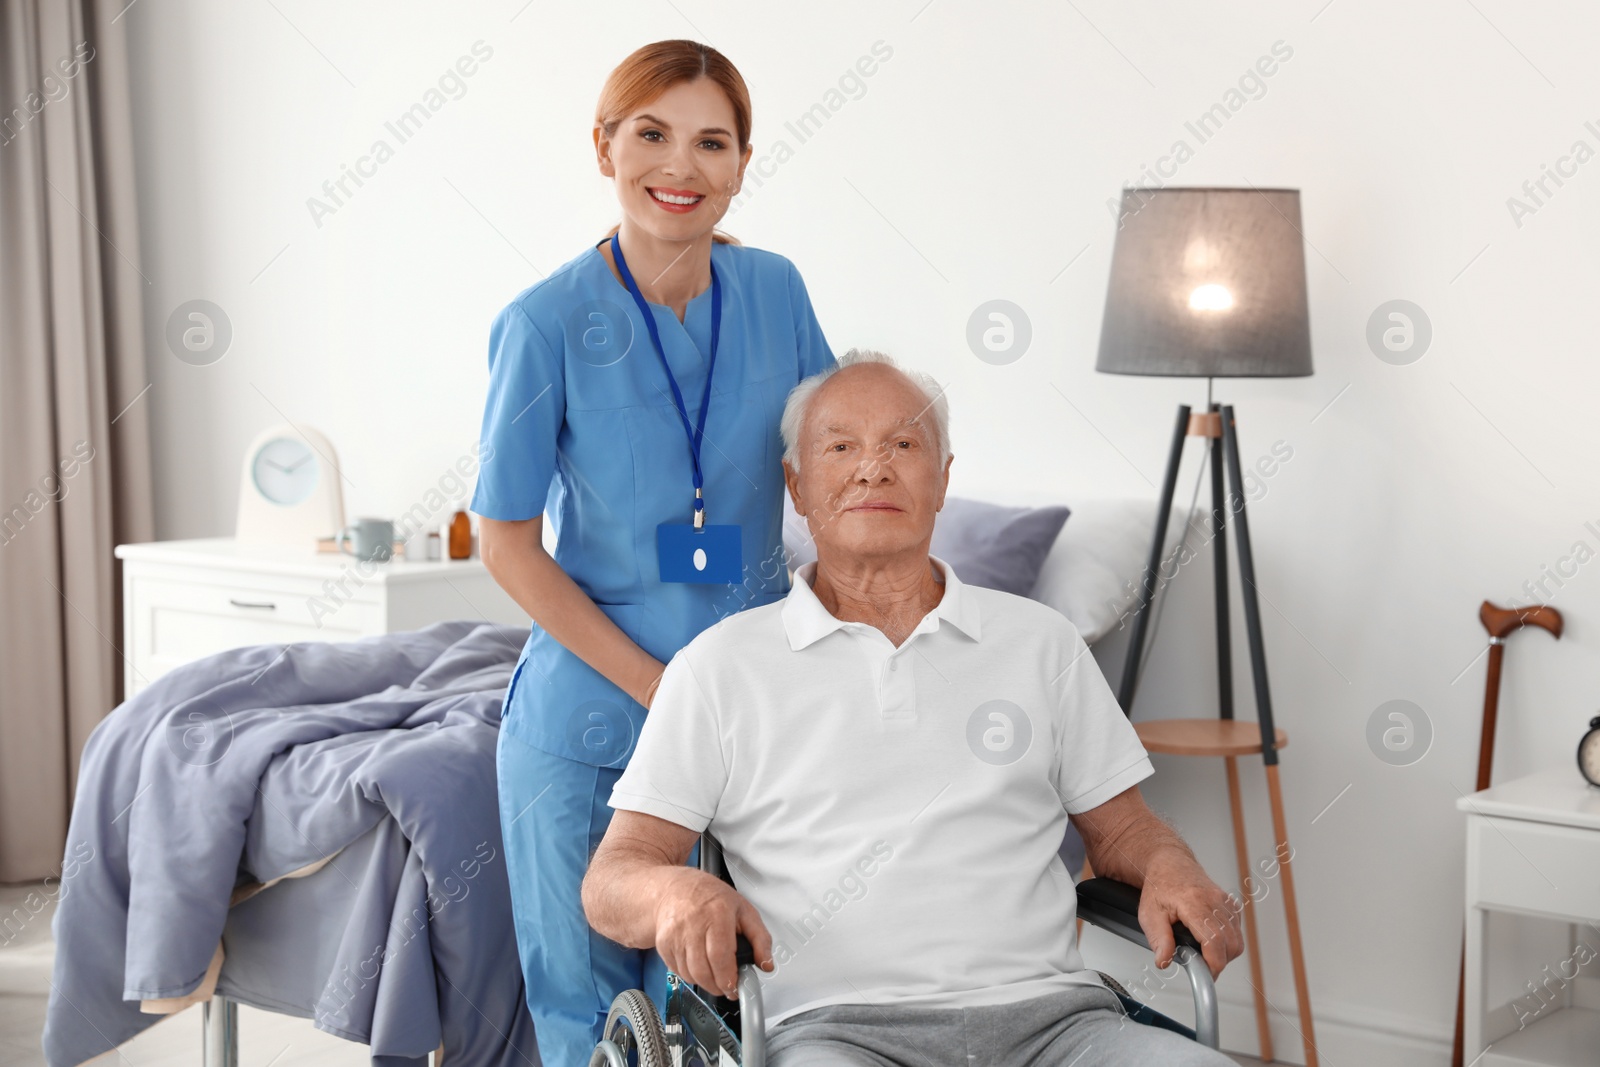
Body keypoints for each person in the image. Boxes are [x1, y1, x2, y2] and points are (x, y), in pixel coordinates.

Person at [581, 350, 1244, 1066]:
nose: (874, 468)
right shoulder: (719, 666)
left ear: (942, 478)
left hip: (1058, 1024)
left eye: (903, 444)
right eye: (841, 447)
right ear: (797, 486)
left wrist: (1172, 864)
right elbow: (614, 878)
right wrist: (677, 892)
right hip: (832, 1033)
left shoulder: (1040, 644)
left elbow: (1123, 832)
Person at [470, 39, 837, 1064]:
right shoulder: (543, 322)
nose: (681, 166)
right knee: (590, 1023)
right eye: (651, 134)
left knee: (722, 1010)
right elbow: (505, 540)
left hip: (748, 723)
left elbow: (828, 465)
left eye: (711, 142)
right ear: (604, 149)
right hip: (586, 720)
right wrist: (656, 683)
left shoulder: (774, 291)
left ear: (742, 162)